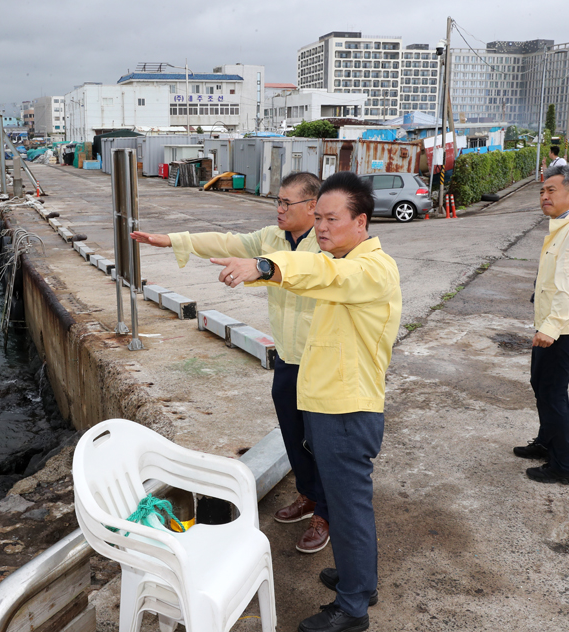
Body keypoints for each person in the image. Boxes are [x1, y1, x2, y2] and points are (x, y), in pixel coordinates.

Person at [212, 172, 402, 632]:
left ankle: (353, 608)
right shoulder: (341, 262)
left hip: (345, 409)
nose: (320, 228)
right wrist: (260, 270)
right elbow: (310, 278)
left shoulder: (369, 268)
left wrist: (263, 267)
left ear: (361, 222)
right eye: (317, 218)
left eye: (331, 219)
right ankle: (361, 579)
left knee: (348, 506)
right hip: (328, 402)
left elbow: (322, 273)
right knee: (345, 502)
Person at [130, 172, 333, 554]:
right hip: (288, 356)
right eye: (277, 200)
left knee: (321, 440)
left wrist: (264, 267)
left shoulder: (325, 244)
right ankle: (308, 495)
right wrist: (171, 240)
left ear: (312, 207)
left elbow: (314, 276)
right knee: (293, 434)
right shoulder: (273, 237)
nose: (279, 209)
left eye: (286, 203)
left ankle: (326, 511)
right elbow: (228, 242)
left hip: (321, 361)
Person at [513, 165, 569, 485]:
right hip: (554, 327)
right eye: (542, 191)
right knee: (543, 387)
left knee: (552, 395)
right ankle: (546, 443)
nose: (544, 195)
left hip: (563, 332)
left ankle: (565, 466)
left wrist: (550, 328)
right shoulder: (562, 227)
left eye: (551, 190)